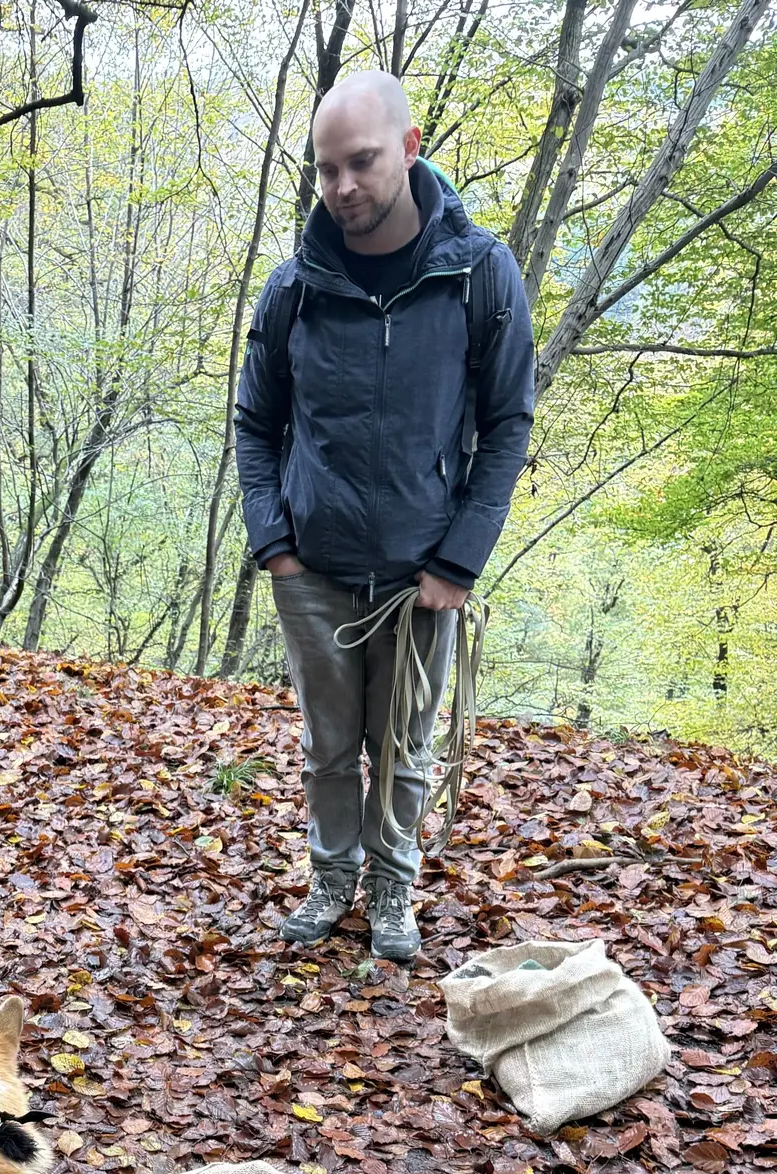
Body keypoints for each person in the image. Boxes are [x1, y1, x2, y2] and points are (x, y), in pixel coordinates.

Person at [235, 72, 534, 962]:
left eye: (361, 162)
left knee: (404, 745)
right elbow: (255, 422)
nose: (343, 186)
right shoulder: (295, 286)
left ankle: (392, 888)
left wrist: (459, 560)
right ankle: (332, 879)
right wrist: (275, 546)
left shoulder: (478, 274)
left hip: (420, 576)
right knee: (328, 746)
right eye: (327, 169)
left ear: (408, 148)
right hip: (313, 569)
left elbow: (507, 424)